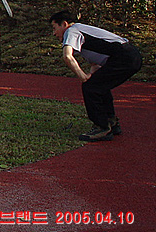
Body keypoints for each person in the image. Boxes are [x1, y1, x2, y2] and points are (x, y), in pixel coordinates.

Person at [50, 10, 142, 142]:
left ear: (64, 24)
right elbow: (96, 64)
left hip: (124, 57)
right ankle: (111, 122)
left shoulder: (72, 31)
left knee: (90, 87)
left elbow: (67, 56)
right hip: (130, 55)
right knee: (98, 85)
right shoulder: (82, 31)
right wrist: (91, 75)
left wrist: (83, 77)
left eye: (54, 28)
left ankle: (102, 127)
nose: (54, 33)